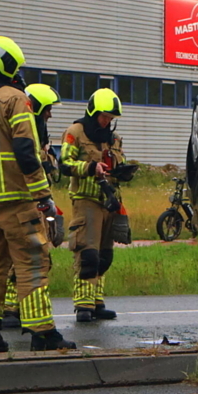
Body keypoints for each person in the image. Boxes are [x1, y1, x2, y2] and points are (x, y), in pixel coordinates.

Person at [0, 35, 75, 353]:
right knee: (33, 260)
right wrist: (43, 195)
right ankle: (43, 333)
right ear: (7, 64)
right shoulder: (14, 98)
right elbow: (26, 151)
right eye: (16, 66)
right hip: (13, 195)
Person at [61, 88, 128, 323]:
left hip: (109, 201)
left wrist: (123, 172)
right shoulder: (75, 132)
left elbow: (119, 161)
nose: (107, 121)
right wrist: (90, 168)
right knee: (87, 254)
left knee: (104, 255)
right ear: (93, 112)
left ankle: (98, 302)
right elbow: (65, 164)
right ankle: (83, 305)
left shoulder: (114, 138)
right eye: (104, 117)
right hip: (86, 200)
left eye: (111, 118)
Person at [2, 83, 62, 329]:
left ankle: (14, 309)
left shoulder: (38, 136)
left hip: (35, 203)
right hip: (25, 203)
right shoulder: (23, 136)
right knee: (27, 257)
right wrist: (43, 197)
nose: (50, 114)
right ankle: (11, 310)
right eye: (47, 109)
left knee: (31, 256)